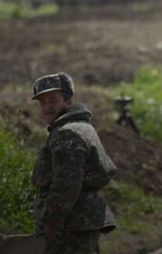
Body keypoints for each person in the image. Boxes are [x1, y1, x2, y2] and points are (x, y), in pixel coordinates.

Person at [30, 72, 117, 254]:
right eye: (42, 102)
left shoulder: (66, 134)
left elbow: (66, 185)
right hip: (81, 221)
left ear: (68, 102)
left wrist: (52, 223)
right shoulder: (82, 127)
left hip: (70, 225)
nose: (47, 107)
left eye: (53, 100)